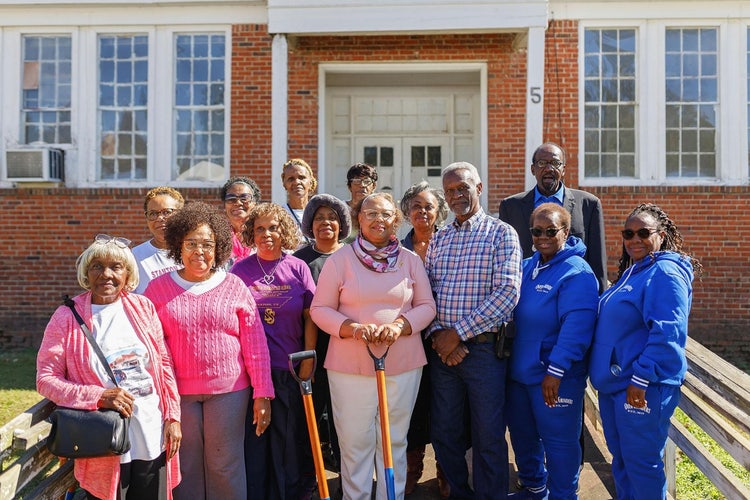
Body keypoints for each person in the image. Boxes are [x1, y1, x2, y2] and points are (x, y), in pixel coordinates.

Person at [143, 202, 274, 500]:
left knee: (224, 466)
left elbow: (255, 345)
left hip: (229, 391)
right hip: (178, 395)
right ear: (178, 245)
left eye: (207, 244)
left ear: (219, 247)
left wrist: (262, 394)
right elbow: (150, 347)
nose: (199, 251)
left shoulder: (234, 286)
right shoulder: (157, 289)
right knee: (185, 466)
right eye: (191, 244)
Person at [310, 192, 437, 500]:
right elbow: (320, 309)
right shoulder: (340, 260)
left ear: (395, 219)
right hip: (349, 366)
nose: (377, 220)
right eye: (369, 214)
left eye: (384, 214)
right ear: (359, 220)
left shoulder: (410, 261)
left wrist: (400, 326)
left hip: (403, 363)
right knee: (355, 442)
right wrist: (352, 329)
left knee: (394, 441)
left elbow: (427, 306)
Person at [37, 234, 182, 500]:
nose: (106, 274)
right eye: (97, 266)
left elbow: (163, 363)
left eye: (116, 267)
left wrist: (173, 416)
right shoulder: (67, 317)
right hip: (105, 441)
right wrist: (99, 397)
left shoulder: (142, 307)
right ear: (86, 272)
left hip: (152, 434)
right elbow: (46, 379)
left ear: (127, 274)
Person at [590, 203, 701, 500]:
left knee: (642, 465)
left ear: (661, 235)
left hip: (642, 387)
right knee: (623, 462)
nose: (634, 239)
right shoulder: (635, 271)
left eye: (643, 232)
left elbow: (667, 332)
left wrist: (641, 377)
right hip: (616, 384)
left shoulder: (665, 272)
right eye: (628, 233)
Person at [425, 161, 522, 500]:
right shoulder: (440, 239)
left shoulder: (501, 233)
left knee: (488, 436)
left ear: (478, 188)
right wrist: (440, 336)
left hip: (483, 352)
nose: (456, 196)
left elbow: (508, 293)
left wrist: (458, 333)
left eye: (463, 188)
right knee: (445, 433)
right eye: (450, 191)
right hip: (444, 355)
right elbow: (428, 293)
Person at [506, 203, 599, 499]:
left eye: (550, 231)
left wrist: (556, 371)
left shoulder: (577, 272)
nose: (542, 236)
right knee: (523, 439)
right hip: (520, 374)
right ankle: (534, 488)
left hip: (554, 378)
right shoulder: (529, 266)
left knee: (559, 444)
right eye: (536, 231)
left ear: (566, 231)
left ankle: (563, 494)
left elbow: (577, 328)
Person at [231, 202, 317, 499]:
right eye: (259, 229)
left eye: (273, 227)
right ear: (251, 234)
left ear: (285, 230)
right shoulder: (239, 271)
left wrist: (308, 360)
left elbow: (310, 316)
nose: (267, 234)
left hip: (288, 369)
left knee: (287, 444)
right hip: (251, 373)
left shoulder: (298, 267)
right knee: (255, 442)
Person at [293, 194, 352, 476]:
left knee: (345, 422)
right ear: (309, 225)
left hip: (348, 352)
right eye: (318, 218)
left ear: (342, 224)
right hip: (312, 354)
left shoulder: (353, 255)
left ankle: (348, 483)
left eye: (332, 217)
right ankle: (310, 482)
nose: (325, 222)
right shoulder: (299, 261)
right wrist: (308, 357)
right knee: (311, 421)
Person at [499, 142, 607, 292]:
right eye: (542, 163)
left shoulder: (588, 204)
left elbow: (597, 262)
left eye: (556, 163)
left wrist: (598, 300)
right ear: (532, 169)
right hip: (526, 293)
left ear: (563, 170)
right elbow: (504, 261)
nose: (549, 168)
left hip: (573, 292)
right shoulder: (510, 207)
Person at [399, 181, 450, 496]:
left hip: (446, 342)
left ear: (438, 211)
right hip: (408, 341)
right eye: (416, 206)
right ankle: (410, 470)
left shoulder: (450, 243)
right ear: (407, 213)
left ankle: (445, 471)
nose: (422, 211)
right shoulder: (396, 249)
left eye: (428, 206)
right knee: (412, 410)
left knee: (446, 410)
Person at [132, 187, 185, 294]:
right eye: (153, 213)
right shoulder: (134, 256)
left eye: (167, 212)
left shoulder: (194, 251)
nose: (160, 218)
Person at [221, 176, 262, 266]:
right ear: (225, 205)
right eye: (231, 198)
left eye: (244, 198)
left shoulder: (263, 234)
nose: (238, 203)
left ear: (254, 203)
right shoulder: (218, 236)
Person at [281, 158, 317, 248]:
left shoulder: (319, 212)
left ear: (311, 182)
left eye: (302, 178)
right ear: (284, 184)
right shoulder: (279, 214)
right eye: (291, 179)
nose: (297, 182)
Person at [343, 162, 378, 243]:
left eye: (366, 181)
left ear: (374, 186)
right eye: (357, 181)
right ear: (349, 186)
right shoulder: (341, 209)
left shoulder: (379, 210)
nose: (362, 185)